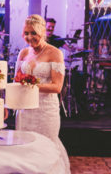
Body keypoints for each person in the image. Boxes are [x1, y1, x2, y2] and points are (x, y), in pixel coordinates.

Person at [14, 14, 70, 173]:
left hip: (45, 110)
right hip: (25, 110)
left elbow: (57, 87)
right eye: (26, 33)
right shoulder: (23, 53)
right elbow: (17, 80)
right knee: (25, 147)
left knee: (46, 148)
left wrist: (31, 82)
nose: (29, 37)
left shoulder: (55, 53)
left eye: (33, 33)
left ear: (43, 32)